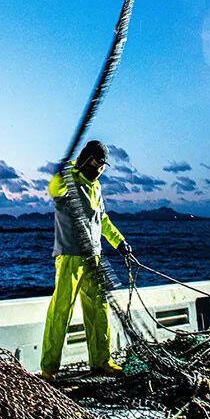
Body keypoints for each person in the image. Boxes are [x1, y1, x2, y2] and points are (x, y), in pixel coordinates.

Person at [39, 139, 133, 379]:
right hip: (70, 256)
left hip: (94, 257)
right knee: (62, 311)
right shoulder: (68, 179)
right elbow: (53, 189)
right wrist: (59, 173)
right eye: (97, 162)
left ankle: (102, 362)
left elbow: (102, 219)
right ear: (86, 158)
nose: (101, 168)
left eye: (103, 164)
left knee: (99, 309)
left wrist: (119, 242)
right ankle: (49, 369)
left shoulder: (96, 186)